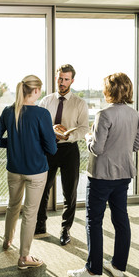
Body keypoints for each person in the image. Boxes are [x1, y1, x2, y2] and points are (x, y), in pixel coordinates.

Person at [67, 72, 139, 277]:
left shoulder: (104, 114)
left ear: (109, 90)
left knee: (94, 221)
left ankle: (93, 271)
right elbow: (136, 146)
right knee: (121, 219)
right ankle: (118, 266)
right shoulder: (134, 114)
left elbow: (97, 148)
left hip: (101, 176)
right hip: (124, 175)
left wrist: (89, 138)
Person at [0, 75, 57, 270]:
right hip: (36, 172)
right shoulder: (42, 114)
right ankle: (24, 257)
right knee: (30, 213)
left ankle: (6, 240)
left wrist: (12, 144)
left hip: (14, 170)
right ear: (36, 91)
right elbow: (52, 149)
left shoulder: (8, 111)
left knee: (13, 206)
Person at [34, 64, 89, 246]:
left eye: (66, 79)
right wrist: (51, 131)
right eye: (60, 78)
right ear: (56, 78)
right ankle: (40, 224)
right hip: (48, 150)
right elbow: (39, 126)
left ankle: (66, 229)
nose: (62, 82)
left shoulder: (80, 103)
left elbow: (84, 129)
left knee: (69, 192)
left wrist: (68, 135)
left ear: (72, 81)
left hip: (69, 150)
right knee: (43, 189)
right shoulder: (46, 101)